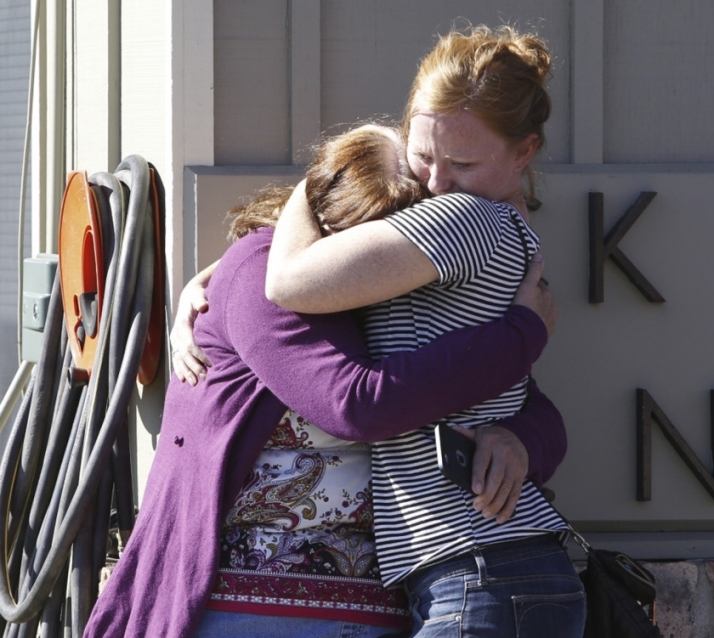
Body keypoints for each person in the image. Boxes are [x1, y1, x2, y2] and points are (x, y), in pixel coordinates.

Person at [84, 123, 563, 638]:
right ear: (338, 224)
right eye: (378, 237)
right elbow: (354, 405)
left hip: (394, 605)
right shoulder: (261, 274)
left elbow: (515, 399)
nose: (390, 261)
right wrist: (523, 332)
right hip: (247, 608)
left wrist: (521, 440)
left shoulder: (404, 302)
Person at [261, 25, 586, 637]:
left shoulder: (464, 219)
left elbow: (288, 283)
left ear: (524, 153)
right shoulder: (495, 225)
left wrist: (313, 183)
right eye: (423, 154)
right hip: (486, 573)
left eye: (462, 162)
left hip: (483, 571)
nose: (435, 182)